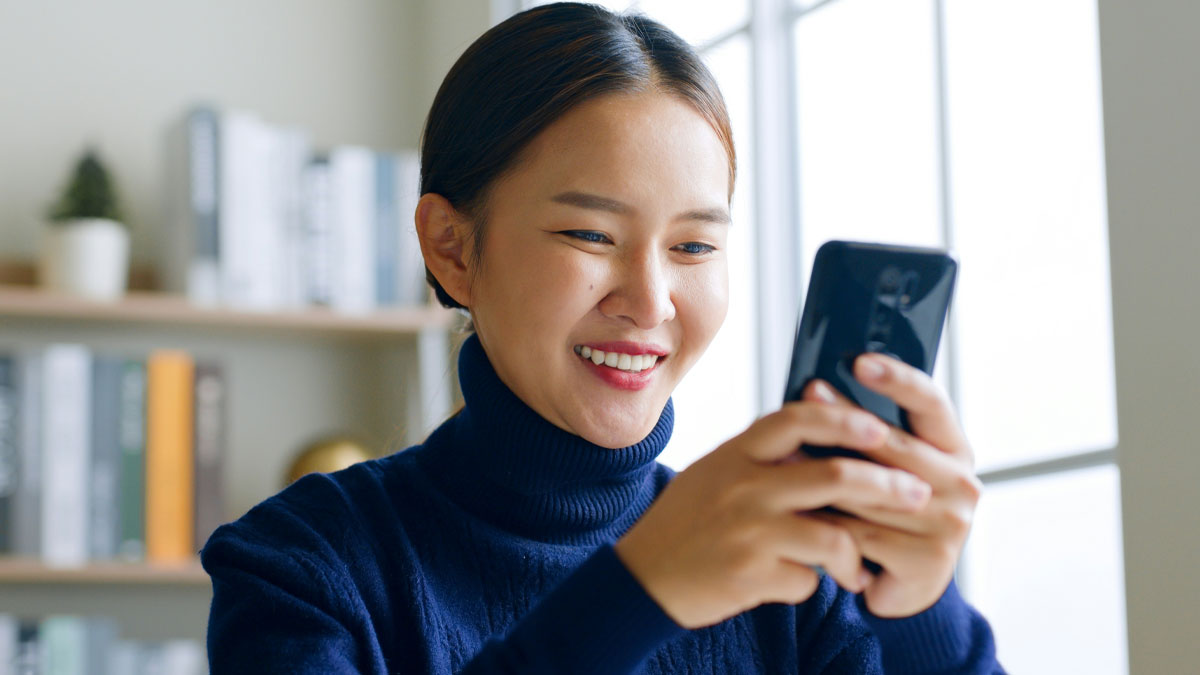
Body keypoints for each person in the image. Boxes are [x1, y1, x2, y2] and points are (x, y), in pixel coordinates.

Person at [201, 3, 1005, 673]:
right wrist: (641, 590)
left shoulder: (803, 583)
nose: (651, 301)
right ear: (451, 247)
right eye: (589, 234)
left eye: (694, 246)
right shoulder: (301, 564)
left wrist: (921, 614)